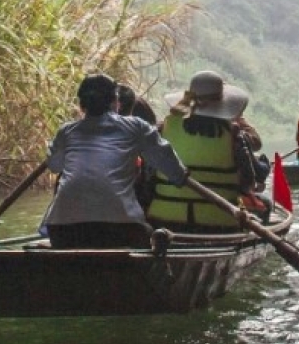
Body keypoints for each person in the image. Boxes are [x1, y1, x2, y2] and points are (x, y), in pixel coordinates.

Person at [39, 74, 190, 249]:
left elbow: (54, 165)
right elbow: (168, 163)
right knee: (151, 234)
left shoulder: (66, 131)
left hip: (63, 231)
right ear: (115, 102)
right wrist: (180, 176)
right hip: (119, 231)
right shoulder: (136, 126)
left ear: (81, 106)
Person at [147, 71, 263, 231]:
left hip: (164, 220)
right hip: (220, 222)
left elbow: (148, 175)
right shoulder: (233, 134)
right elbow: (248, 183)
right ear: (222, 105)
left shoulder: (163, 128)